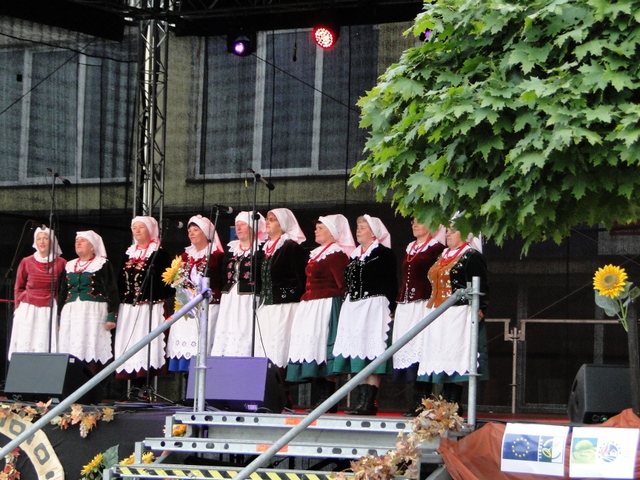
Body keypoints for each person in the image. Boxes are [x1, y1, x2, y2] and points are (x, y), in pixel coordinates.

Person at [416, 223, 489, 412]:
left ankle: (453, 404)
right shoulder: (443, 255)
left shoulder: (471, 256)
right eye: (447, 230)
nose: (447, 233)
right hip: (439, 313)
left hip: (459, 313)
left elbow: (482, 286)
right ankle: (441, 404)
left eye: (452, 230)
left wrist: (479, 309)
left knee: (457, 357)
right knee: (441, 356)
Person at [286, 214, 355, 412]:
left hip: (327, 305)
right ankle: (320, 400)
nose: (315, 231)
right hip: (312, 305)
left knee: (324, 348)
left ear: (332, 232)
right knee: (314, 348)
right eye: (316, 227)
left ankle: (327, 401)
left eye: (320, 228)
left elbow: (343, 285)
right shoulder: (317, 253)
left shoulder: (336, 255)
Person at [332, 214, 398, 415]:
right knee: (357, 351)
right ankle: (360, 401)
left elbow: (391, 282)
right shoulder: (354, 256)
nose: (358, 230)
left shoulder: (383, 254)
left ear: (374, 232)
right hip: (354, 308)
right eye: (357, 226)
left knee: (373, 351)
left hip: (374, 307)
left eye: (362, 227)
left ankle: (369, 402)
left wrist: (391, 306)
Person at [392, 219, 446, 416]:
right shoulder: (410, 247)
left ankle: (424, 402)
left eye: (419, 222)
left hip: (423, 303)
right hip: (406, 305)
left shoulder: (436, 248)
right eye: (413, 222)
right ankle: (416, 401)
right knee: (408, 349)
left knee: (421, 350)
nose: (414, 225)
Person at [115, 216, 174, 380]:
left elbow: (168, 282)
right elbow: (120, 281)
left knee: (147, 345)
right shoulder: (129, 253)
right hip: (128, 307)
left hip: (150, 308)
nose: (137, 230)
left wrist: (153, 297)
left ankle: (144, 384)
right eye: (134, 228)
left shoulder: (159, 254)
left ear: (150, 230)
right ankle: (132, 385)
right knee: (129, 343)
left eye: (141, 227)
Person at [166, 215, 224, 372]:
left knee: (202, 345)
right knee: (185, 348)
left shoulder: (216, 255)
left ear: (205, 232)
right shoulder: (185, 256)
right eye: (189, 231)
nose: (191, 233)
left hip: (208, 307)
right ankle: (187, 383)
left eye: (195, 230)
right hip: (187, 307)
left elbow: (221, 280)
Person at [57, 231, 119, 372]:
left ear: (92, 247)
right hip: (71, 312)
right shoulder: (69, 265)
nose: (78, 243)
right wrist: (59, 319)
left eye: (83, 240)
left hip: (94, 311)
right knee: (71, 346)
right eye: (77, 240)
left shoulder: (102, 264)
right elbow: (62, 293)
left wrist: (111, 316)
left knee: (92, 345)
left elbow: (111, 290)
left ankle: (92, 379)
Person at [255, 208, 307, 376]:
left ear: (282, 224)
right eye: (267, 218)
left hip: (285, 307)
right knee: (265, 350)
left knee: (279, 350)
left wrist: (290, 296)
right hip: (267, 307)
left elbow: (302, 278)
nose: (267, 222)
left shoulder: (291, 247)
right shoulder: (265, 249)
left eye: (272, 219)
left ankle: (282, 389)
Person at [211, 211, 265, 357]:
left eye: (242, 224)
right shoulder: (231, 249)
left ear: (252, 227)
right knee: (228, 326)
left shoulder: (260, 249)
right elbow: (224, 273)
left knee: (245, 327)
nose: (238, 228)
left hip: (249, 297)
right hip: (229, 297)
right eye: (236, 225)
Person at [8, 226, 66, 359]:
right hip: (28, 308)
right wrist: (18, 308)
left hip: (49, 307)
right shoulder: (26, 261)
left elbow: (64, 288)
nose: (42, 242)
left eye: (45, 238)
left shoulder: (61, 263)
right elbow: (18, 287)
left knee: (45, 340)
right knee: (26, 340)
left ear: (52, 241)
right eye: (39, 239)